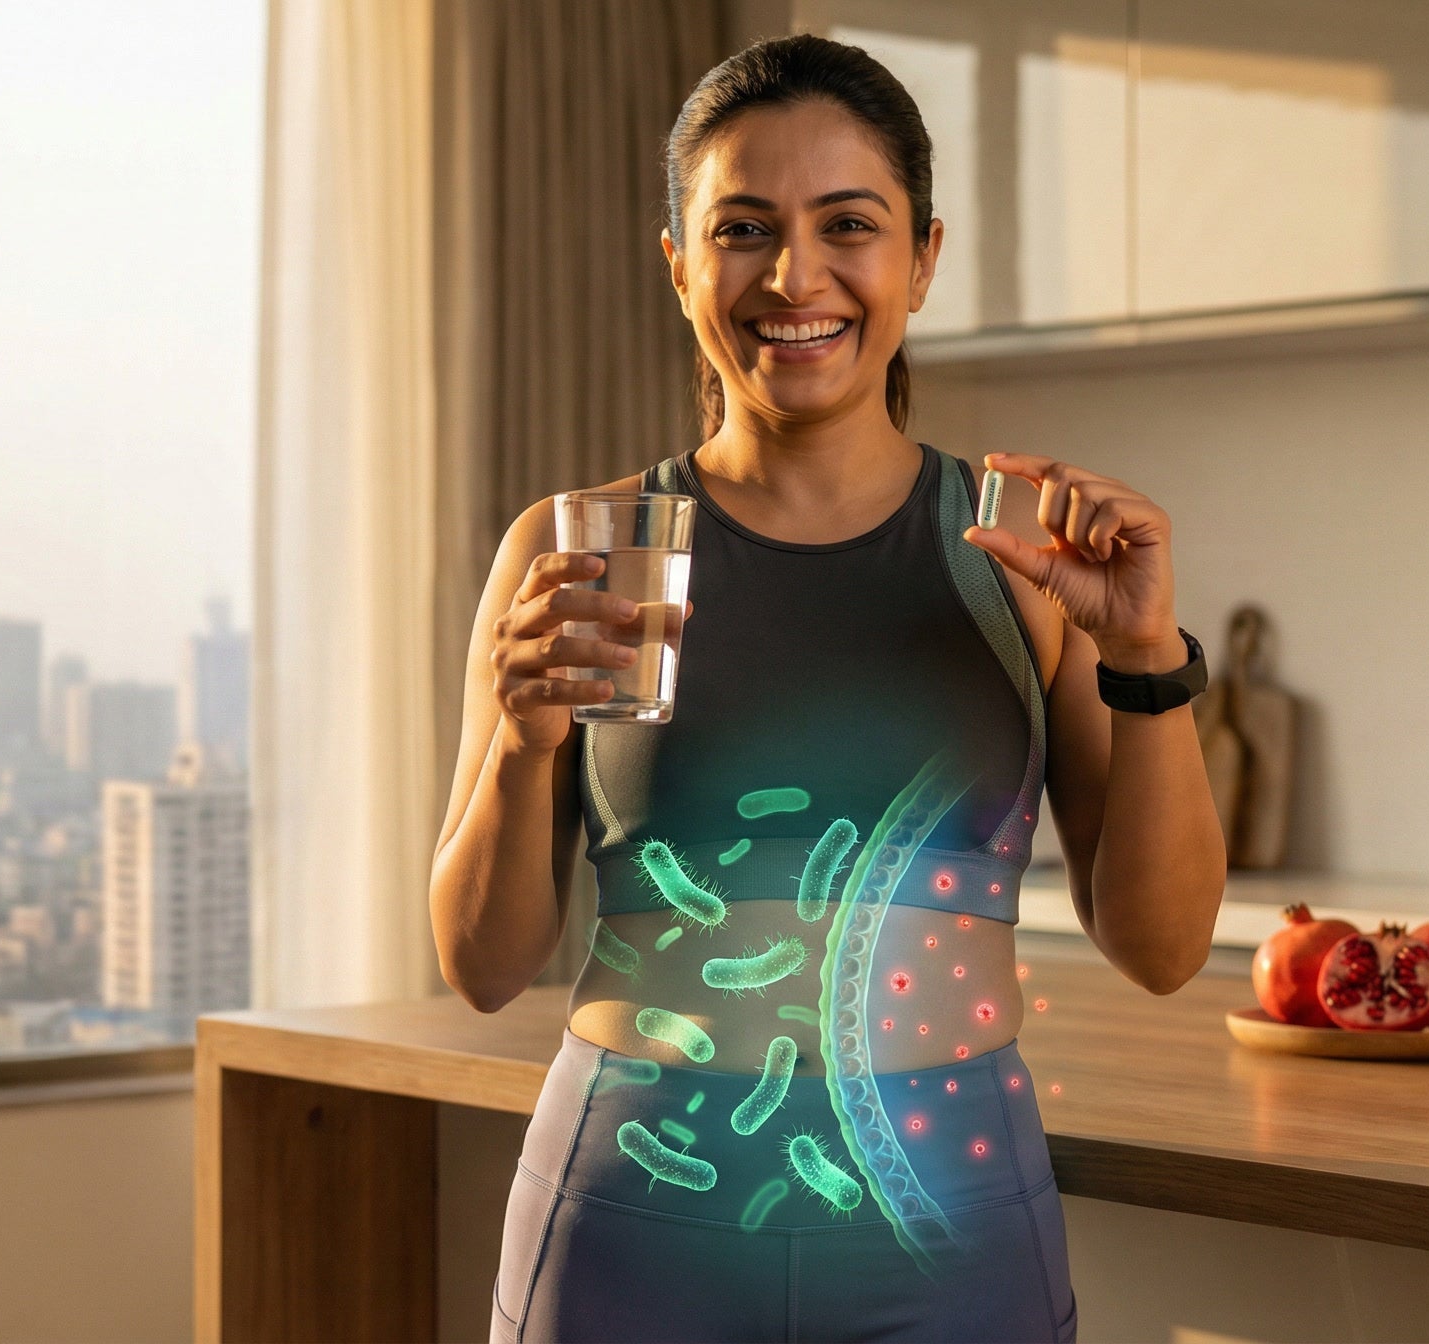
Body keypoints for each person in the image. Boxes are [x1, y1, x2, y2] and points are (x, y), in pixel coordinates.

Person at [430, 34, 1227, 1344]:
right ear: (679, 264)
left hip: (954, 1245)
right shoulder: (577, 553)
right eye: (742, 230)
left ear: (922, 257)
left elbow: (1164, 949)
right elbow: (481, 964)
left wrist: (1145, 659)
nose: (794, 277)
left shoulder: (1024, 557)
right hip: (629, 1246)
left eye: (848, 225)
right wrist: (522, 743)